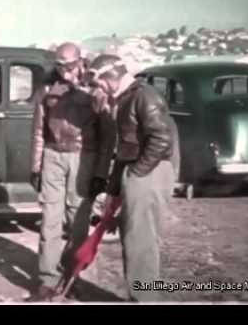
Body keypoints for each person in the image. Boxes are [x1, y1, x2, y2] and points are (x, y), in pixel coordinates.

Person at [28, 43, 115, 301]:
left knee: (78, 220)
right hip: (53, 156)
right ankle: (47, 280)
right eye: (60, 65)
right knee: (49, 221)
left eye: (69, 64)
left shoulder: (95, 90)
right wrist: (35, 166)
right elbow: (38, 131)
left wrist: (101, 172)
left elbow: (107, 136)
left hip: (82, 156)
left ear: (80, 61)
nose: (65, 70)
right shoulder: (46, 89)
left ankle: (73, 276)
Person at [85, 54, 175, 302]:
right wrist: (114, 189)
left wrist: (136, 174)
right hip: (138, 170)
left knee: (140, 243)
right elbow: (124, 147)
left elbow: (161, 139)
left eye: (97, 82)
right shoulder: (127, 98)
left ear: (109, 76)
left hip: (148, 172)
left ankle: (144, 300)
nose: (97, 88)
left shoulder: (144, 96)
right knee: (133, 240)